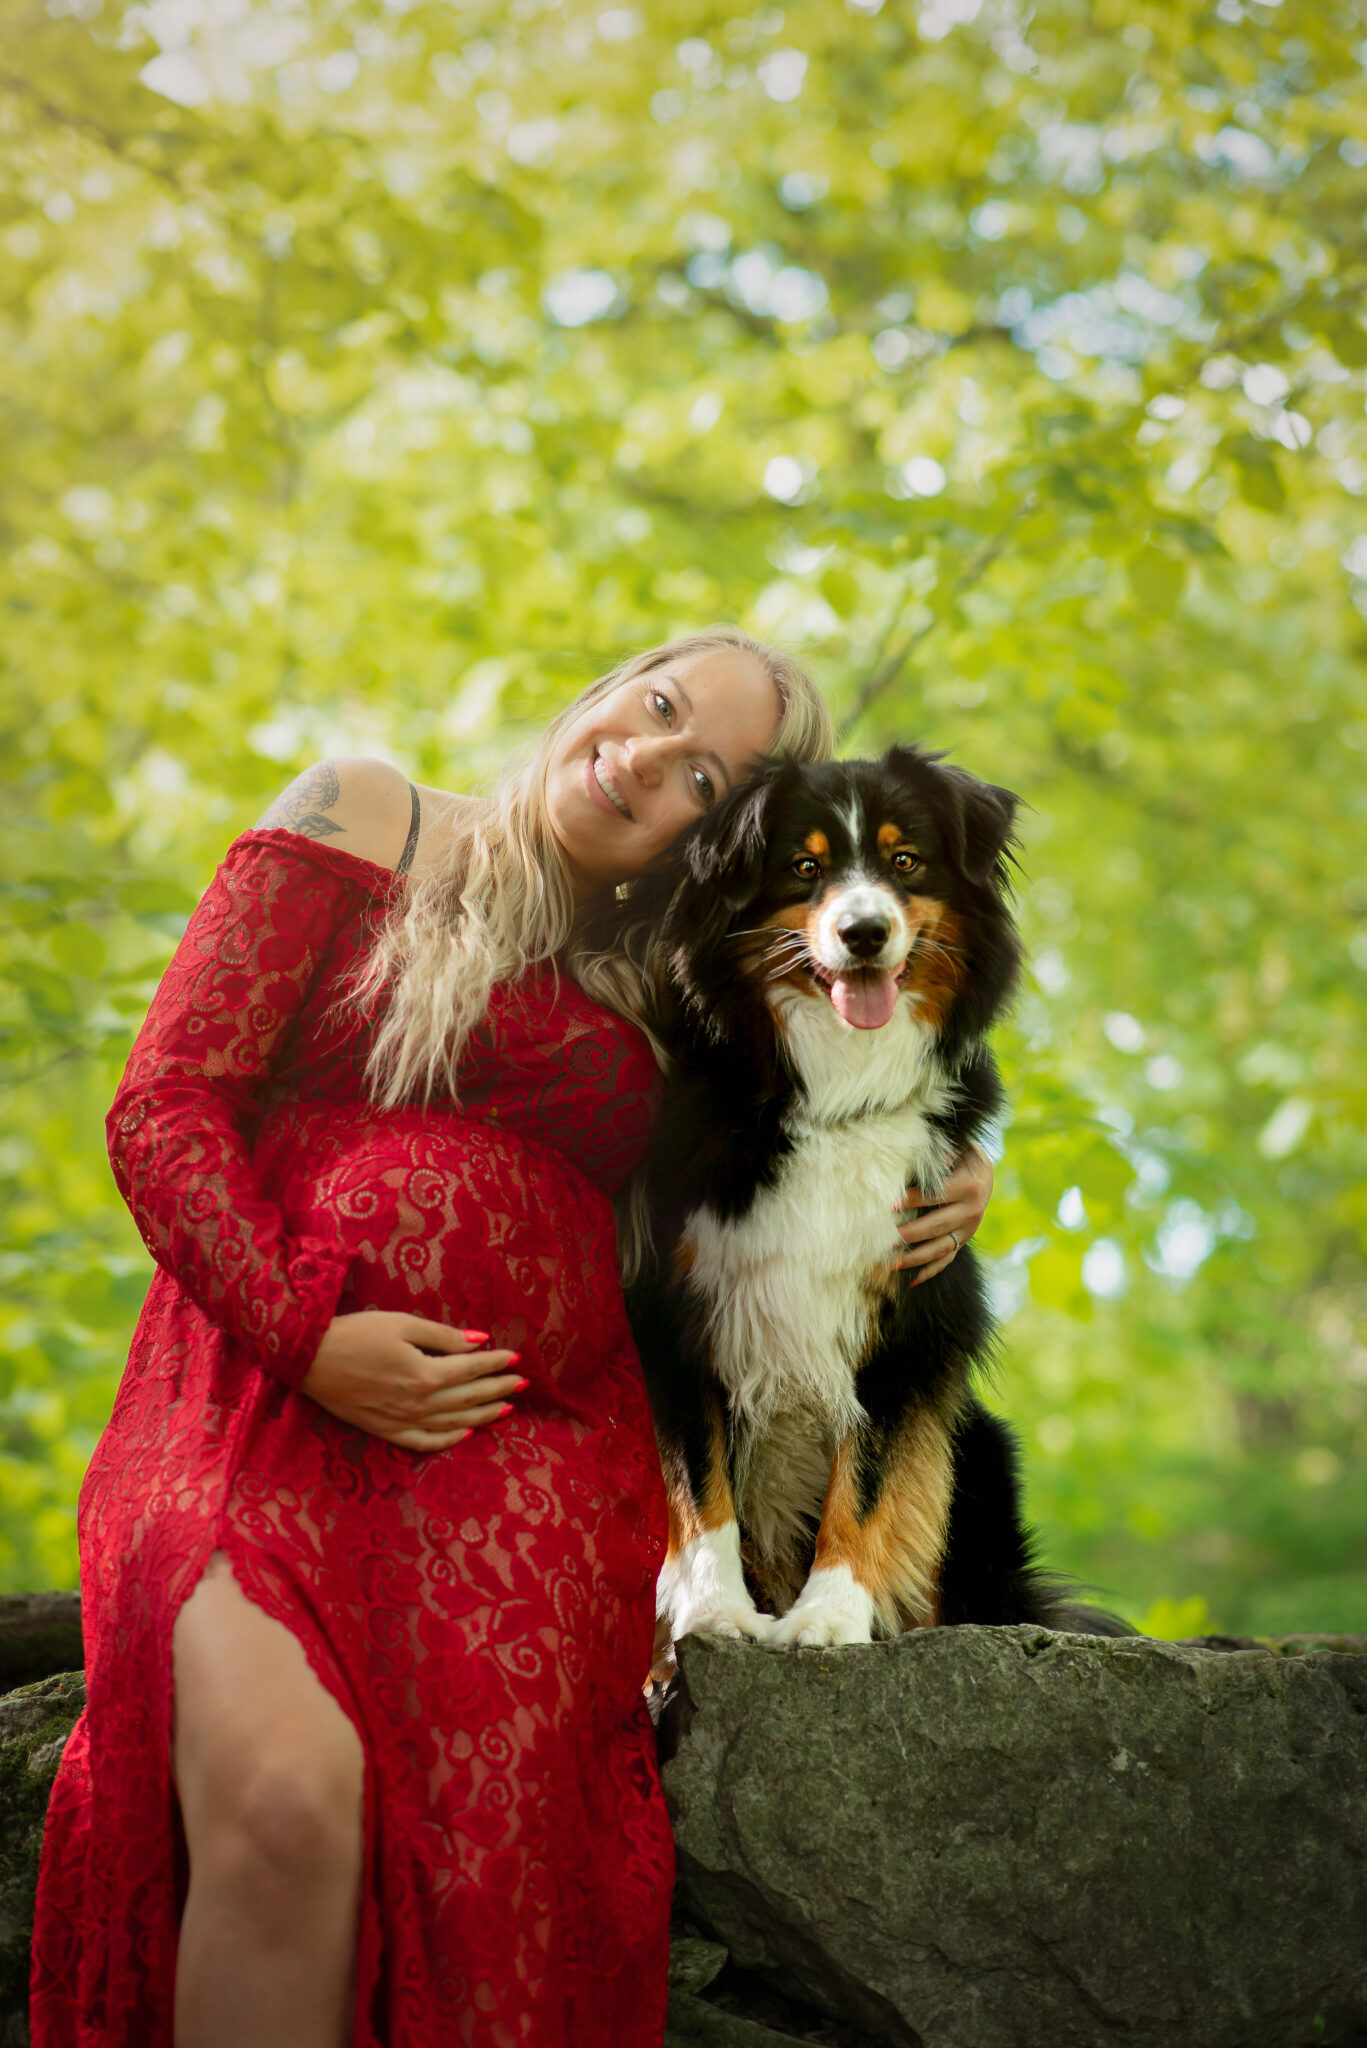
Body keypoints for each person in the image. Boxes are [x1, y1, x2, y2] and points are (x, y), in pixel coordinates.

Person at [29, 627, 993, 2048]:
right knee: (286, 1807)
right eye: (656, 708)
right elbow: (163, 1106)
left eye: (704, 779)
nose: (649, 759)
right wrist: (307, 1334)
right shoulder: (365, 813)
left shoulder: (683, 980)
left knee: (482, 1882)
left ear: (710, 842)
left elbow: (862, 1085)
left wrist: (963, 1172)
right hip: (256, 1404)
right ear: (609, 685)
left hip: (535, 1469)